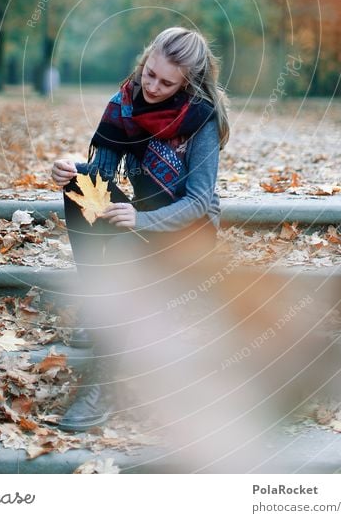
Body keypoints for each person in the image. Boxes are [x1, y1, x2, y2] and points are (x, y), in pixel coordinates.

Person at [51, 26, 230, 432]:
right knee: (81, 189)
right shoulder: (125, 102)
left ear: (188, 82)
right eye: (150, 73)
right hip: (141, 218)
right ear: (145, 61)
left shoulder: (201, 118)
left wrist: (142, 221)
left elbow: (200, 203)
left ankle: (102, 385)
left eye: (167, 82)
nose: (152, 86)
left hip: (187, 232)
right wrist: (67, 169)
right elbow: (100, 174)